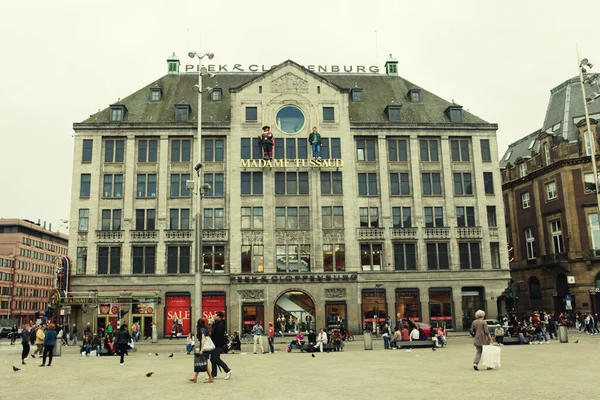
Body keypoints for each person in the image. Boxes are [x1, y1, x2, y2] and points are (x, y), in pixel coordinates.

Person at [188, 318, 213, 384]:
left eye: (197, 323)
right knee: (201, 361)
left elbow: (203, 339)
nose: (196, 324)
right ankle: (195, 377)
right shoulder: (205, 328)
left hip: (204, 348)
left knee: (204, 362)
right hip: (205, 348)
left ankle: (210, 378)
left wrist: (202, 349)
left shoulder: (202, 330)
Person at [209, 311, 232, 380]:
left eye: (215, 316)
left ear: (219, 317)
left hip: (217, 344)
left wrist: (215, 343)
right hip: (214, 344)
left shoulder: (220, 325)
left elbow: (218, 336)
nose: (214, 317)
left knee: (216, 359)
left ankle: (228, 370)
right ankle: (213, 374)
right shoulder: (216, 323)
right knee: (212, 359)